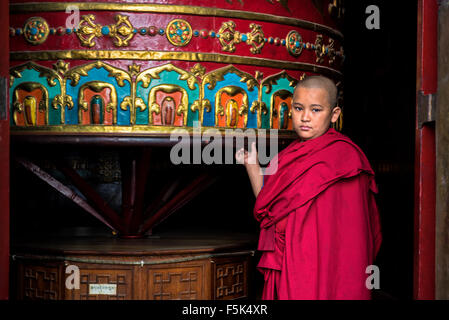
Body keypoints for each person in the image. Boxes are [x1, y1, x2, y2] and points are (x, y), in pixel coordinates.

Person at [235, 75, 382, 300]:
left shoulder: (346, 159)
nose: (305, 117)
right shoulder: (287, 157)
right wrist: (252, 166)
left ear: (334, 115)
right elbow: (271, 212)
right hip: (292, 262)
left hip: (330, 266)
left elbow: (356, 237)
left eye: (316, 110)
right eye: (298, 108)